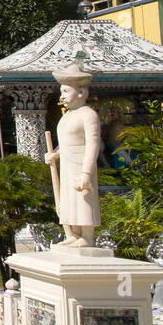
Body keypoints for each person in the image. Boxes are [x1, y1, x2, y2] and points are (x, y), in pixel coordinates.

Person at [44, 61, 101, 247]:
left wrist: (86, 173)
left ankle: (87, 236)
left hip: (81, 163)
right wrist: (55, 155)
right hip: (67, 164)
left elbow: (93, 144)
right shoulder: (67, 116)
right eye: (61, 92)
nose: (63, 96)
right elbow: (66, 143)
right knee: (68, 200)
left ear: (81, 92)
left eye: (66, 92)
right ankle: (73, 234)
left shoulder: (88, 114)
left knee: (83, 198)